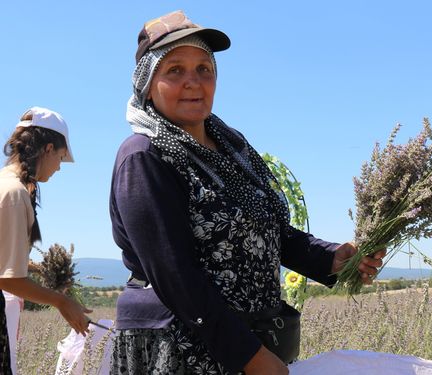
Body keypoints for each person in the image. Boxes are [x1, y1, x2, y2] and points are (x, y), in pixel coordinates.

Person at [109, 10, 386, 375]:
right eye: (174, 70)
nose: (193, 82)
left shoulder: (231, 147)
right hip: (180, 347)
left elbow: (267, 229)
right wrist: (249, 356)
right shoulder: (146, 156)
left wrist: (329, 258)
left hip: (246, 339)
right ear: (147, 82)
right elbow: (175, 276)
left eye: (204, 69)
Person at [0, 107, 92, 373]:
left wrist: (36, 269)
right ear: (48, 148)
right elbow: (7, 278)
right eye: (61, 158)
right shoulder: (14, 194)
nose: (59, 167)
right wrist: (62, 302)